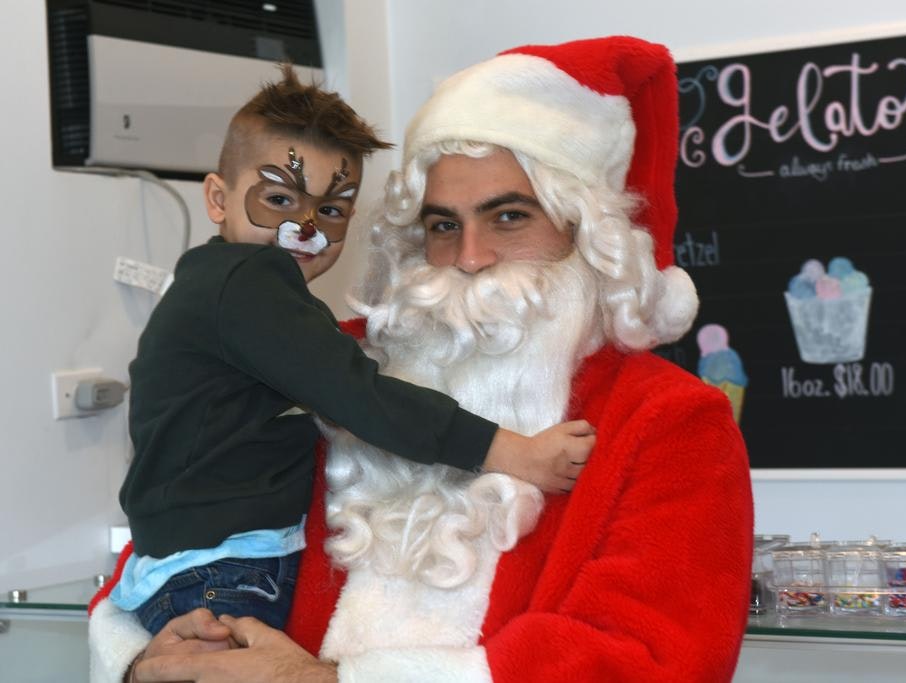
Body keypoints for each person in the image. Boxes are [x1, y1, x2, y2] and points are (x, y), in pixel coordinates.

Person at [89, 37, 754, 683]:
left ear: (590, 235)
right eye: (442, 226)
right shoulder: (335, 360)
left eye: (509, 217)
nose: (469, 257)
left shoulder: (669, 423)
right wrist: (142, 662)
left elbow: (649, 661)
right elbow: (171, 536)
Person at [101, 66, 596, 644]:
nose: (304, 228)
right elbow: (359, 396)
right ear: (218, 198)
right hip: (224, 570)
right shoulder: (249, 282)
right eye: (280, 198)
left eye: (331, 211)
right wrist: (514, 452)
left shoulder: (220, 286)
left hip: (189, 565)